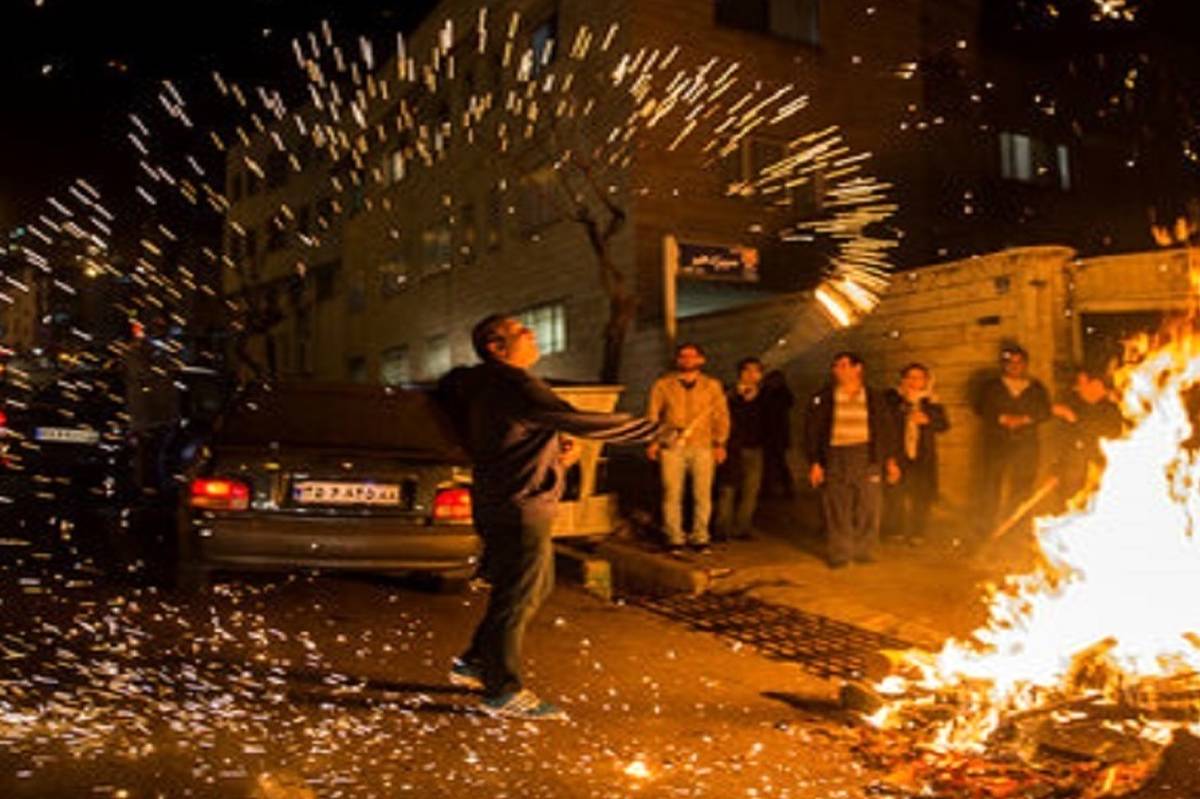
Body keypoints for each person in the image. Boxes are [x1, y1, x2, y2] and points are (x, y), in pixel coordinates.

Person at [436, 314, 667, 720]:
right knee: (519, 592)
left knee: (532, 587)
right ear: (496, 346)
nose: (532, 335)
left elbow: (521, 432)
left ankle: (475, 661)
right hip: (521, 505)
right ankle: (502, 689)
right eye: (523, 331)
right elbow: (579, 419)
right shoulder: (516, 384)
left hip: (503, 499)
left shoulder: (487, 386)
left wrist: (557, 448)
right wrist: (653, 430)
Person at [804, 352, 900, 568]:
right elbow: (812, 431)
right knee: (837, 506)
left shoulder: (874, 397)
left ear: (858, 369)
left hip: (866, 454)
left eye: (845, 365)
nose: (839, 370)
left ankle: (864, 550)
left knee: (869, 506)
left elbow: (887, 429)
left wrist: (890, 461)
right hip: (835, 456)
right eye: (836, 366)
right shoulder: (824, 398)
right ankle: (840, 553)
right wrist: (814, 462)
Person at [647, 343, 730, 554]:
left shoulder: (712, 386)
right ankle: (674, 537)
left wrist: (720, 443)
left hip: (703, 445)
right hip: (671, 445)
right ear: (678, 360)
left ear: (701, 360)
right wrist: (653, 442)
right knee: (671, 493)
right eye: (683, 356)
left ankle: (700, 537)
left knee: (702, 494)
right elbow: (653, 415)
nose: (688, 360)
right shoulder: (663, 385)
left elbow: (721, 415)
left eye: (692, 356)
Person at [976, 346, 1052, 535]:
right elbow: (980, 407)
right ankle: (987, 528)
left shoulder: (1036, 388)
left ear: (1025, 364)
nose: (1014, 366)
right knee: (990, 485)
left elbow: (1045, 411)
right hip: (997, 442)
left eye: (1019, 362)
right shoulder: (992, 387)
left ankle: (1016, 528)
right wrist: (1001, 418)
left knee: (1022, 485)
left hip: (1026, 443)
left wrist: (1025, 419)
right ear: (1004, 365)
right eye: (1010, 362)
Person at [884, 363, 950, 546]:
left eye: (918, 378)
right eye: (910, 377)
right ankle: (894, 530)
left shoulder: (932, 402)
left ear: (925, 381)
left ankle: (917, 532)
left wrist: (927, 420)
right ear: (903, 380)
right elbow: (884, 427)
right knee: (895, 494)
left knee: (922, 496)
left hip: (923, 456)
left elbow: (944, 425)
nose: (914, 382)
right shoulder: (892, 400)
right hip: (898, 454)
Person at [1050, 367, 1124, 506]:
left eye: (1082, 383)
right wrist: (1056, 470)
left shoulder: (1111, 410)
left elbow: (1111, 434)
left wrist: (1075, 419)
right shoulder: (1073, 404)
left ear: (1097, 384)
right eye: (1078, 382)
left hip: (1099, 475)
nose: (1077, 387)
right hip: (1071, 473)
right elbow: (1063, 443)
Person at [716, 357, 767, 541]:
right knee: (727, 489)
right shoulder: (728, 394)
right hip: (732, 447)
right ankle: (722, 528)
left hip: (756, 448)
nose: (751, 375)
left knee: (750, 491)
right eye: (747, 370)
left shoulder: (766, 396)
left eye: (756, 371)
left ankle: (742, 527)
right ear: (740, 373)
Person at [760, 369, 796, 498]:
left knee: (777, 462)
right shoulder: (776, 394)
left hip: (774, 434)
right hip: (771, 434)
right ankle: (775, 487)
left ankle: (781, 487)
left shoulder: (778, 394)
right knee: (774, 462)